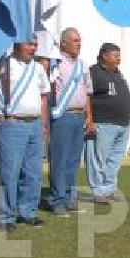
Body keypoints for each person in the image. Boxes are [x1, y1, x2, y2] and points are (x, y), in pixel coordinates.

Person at [0, 37, 51, 230]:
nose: (33, 47)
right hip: (11, 123)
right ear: (17, 45)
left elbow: (43, 97)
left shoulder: (38, 68)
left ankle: (27, 212)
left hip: (34, 124)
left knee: (33, 173)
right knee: (10, 173)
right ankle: (6, 216)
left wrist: (43, 123)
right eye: (29, 44)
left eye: (35, 44)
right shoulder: (5, 63)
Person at [46, 27, 95, 218]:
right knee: (60, 159)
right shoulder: (55, 63)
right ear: (63, 43)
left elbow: (88, 93)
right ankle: (57, 200)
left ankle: (68, 197)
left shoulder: (83, 66)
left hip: (79, 116)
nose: (79, 43)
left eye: (80, 40)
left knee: (74, 161)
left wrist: (89, 118)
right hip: (62, 116)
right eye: (75, 40)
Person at [85, 43, 130, 204]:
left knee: (114, 160)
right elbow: (87, 97)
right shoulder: (94, 72)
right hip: (102, 123)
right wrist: (89, 121)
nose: (119, 57)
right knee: (98, 160)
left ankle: (109, 190)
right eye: (115, 54)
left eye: (119, 54)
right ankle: (99, 192)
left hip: (122, 124)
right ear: (104, 55)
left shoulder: (118, 73)